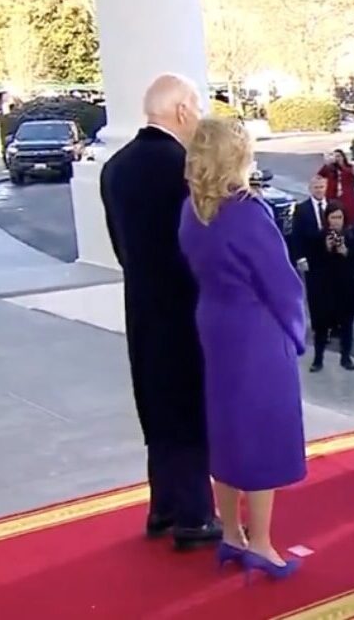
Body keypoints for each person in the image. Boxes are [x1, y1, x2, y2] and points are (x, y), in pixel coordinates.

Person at [179, 117, 307, 579]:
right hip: (255, 331)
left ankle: (231, 533)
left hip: (214, 323)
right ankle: (263, 545)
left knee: (228, 430)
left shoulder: (192, 209)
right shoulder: (248, 211)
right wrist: (297, 332)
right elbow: (282, 284)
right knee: (262, 434)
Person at [99, 73, 220, 551]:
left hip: (142, 303)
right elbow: (201, 242)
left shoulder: (115, 166)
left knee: (155, 400)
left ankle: (164, 504)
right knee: (189, 406)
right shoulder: (183, 167)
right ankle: (193, 513)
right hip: (187, 305)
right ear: (184, 110)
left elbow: (119, 244)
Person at [292, 177, 354, 372]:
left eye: (339, 218)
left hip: (345, 284)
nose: (336, 221)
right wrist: (324, 248)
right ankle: (318, 359)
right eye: (332, 218)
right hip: (324, 285)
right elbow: (310, 251)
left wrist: (345, 252)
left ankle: (346, 357)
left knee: (347, 323)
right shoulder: (319, 235)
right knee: (321, 324)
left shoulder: (350, 234)